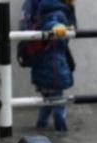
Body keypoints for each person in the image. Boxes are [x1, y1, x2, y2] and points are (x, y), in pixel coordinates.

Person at [31, 0, 76, 131]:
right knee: (59, 102)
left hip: (44, 66)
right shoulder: (57, 12)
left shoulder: (45, 10)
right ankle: (61, 131)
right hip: (55, 67)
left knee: (48, 101)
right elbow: (52, 23)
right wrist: (57, 27)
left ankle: (41, 125)